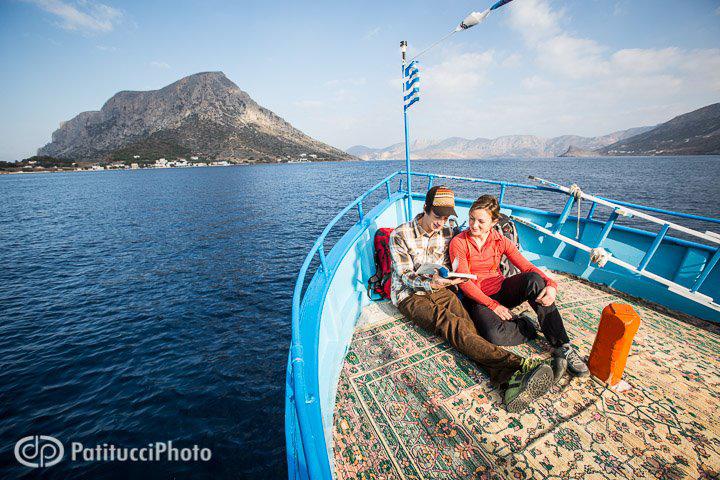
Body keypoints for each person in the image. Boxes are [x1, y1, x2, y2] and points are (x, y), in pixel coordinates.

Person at [389, 186, 553, 412]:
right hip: (410, 294)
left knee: (468, 328)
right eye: (438, 217)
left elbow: (452, 266)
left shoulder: (448, 232)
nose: (442, 223)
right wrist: (430, 283)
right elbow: (405, 275)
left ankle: (504, 382)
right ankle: (516, 365)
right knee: (450, 324)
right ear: (425, 208)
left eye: (447, 218)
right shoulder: (400, 235)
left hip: (442, 287)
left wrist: (447, 278)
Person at [449, 194, 589, 380]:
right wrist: (492, 305)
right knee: (493, 336)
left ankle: (562, 346)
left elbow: (528, 267)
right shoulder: (459, 242)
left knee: (534, 280)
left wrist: (551, 284)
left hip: (500, 288)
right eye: (471, 219)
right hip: (477, 297)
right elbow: (465, 283)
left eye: (481, 221)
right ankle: (526, 324)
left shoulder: (501, 241)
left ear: (493, 221)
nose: (474, 225)